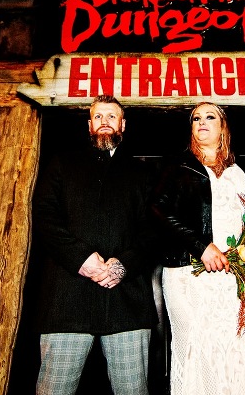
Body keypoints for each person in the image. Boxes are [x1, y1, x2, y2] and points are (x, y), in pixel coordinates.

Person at [30, 95, 158, 395]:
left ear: (123, 124)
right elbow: (45, 218)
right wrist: (80, 258)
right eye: (98, 117)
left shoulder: (142, 173)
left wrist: (124, 264)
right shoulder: (62, 164)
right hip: (66, 300)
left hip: (127, 301)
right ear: (89, 125)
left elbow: (153, 231)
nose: (105, 122)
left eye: (111, 117)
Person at [150, 102, 245, 395]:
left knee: (240, 348)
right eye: (196, 118)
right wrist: (201, 247)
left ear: (223, 127)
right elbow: (157, 210)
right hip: (188, 275)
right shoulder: (177, 166)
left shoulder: (239, 174)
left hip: (232, 277)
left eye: (210, 117)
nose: (202, 122)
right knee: (197, 348)